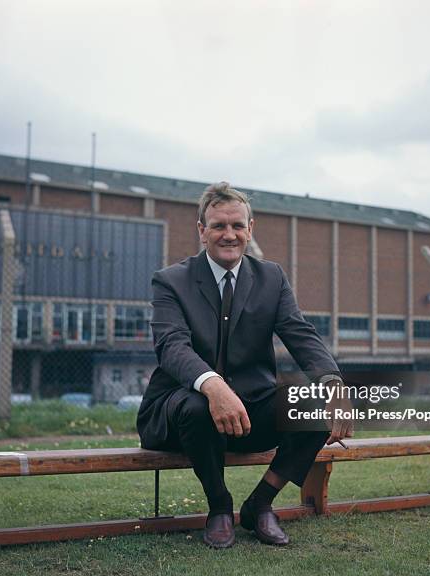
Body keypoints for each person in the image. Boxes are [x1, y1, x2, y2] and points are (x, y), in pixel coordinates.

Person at [137, 182, 353, 548]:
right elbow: (172, 346)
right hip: (181, 413)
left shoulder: (271, 278)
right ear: (202, 231)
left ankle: (260, 504)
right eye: (219, 226)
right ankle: (219, 507)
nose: (229, 234)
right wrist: (212, 384)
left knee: (313, 407)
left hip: (250, 410)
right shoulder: (171, 281)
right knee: (198, 404)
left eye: (237, 226)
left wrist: (333, 383)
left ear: (250, 229)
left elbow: (301, 335)